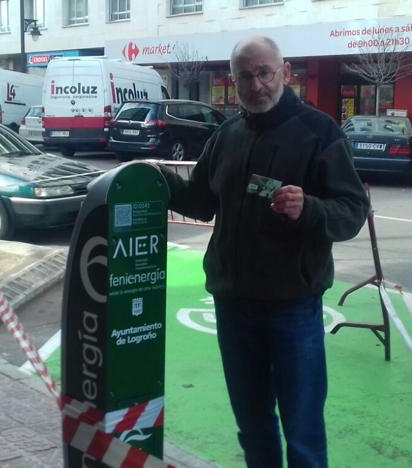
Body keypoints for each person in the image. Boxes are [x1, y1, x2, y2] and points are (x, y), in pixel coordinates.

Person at [158, 36, 370, 467]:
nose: (256, 85)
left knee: (303, 430)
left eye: (264, 73)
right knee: (253, 425)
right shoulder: (227, 135)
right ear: (233, 82)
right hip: (233, 304)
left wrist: (308, 208)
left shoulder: (319, 132)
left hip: (291, 307)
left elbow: (351, 211)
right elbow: (201, 202)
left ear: (285, 72)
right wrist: (160, 180)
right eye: (245, 77)